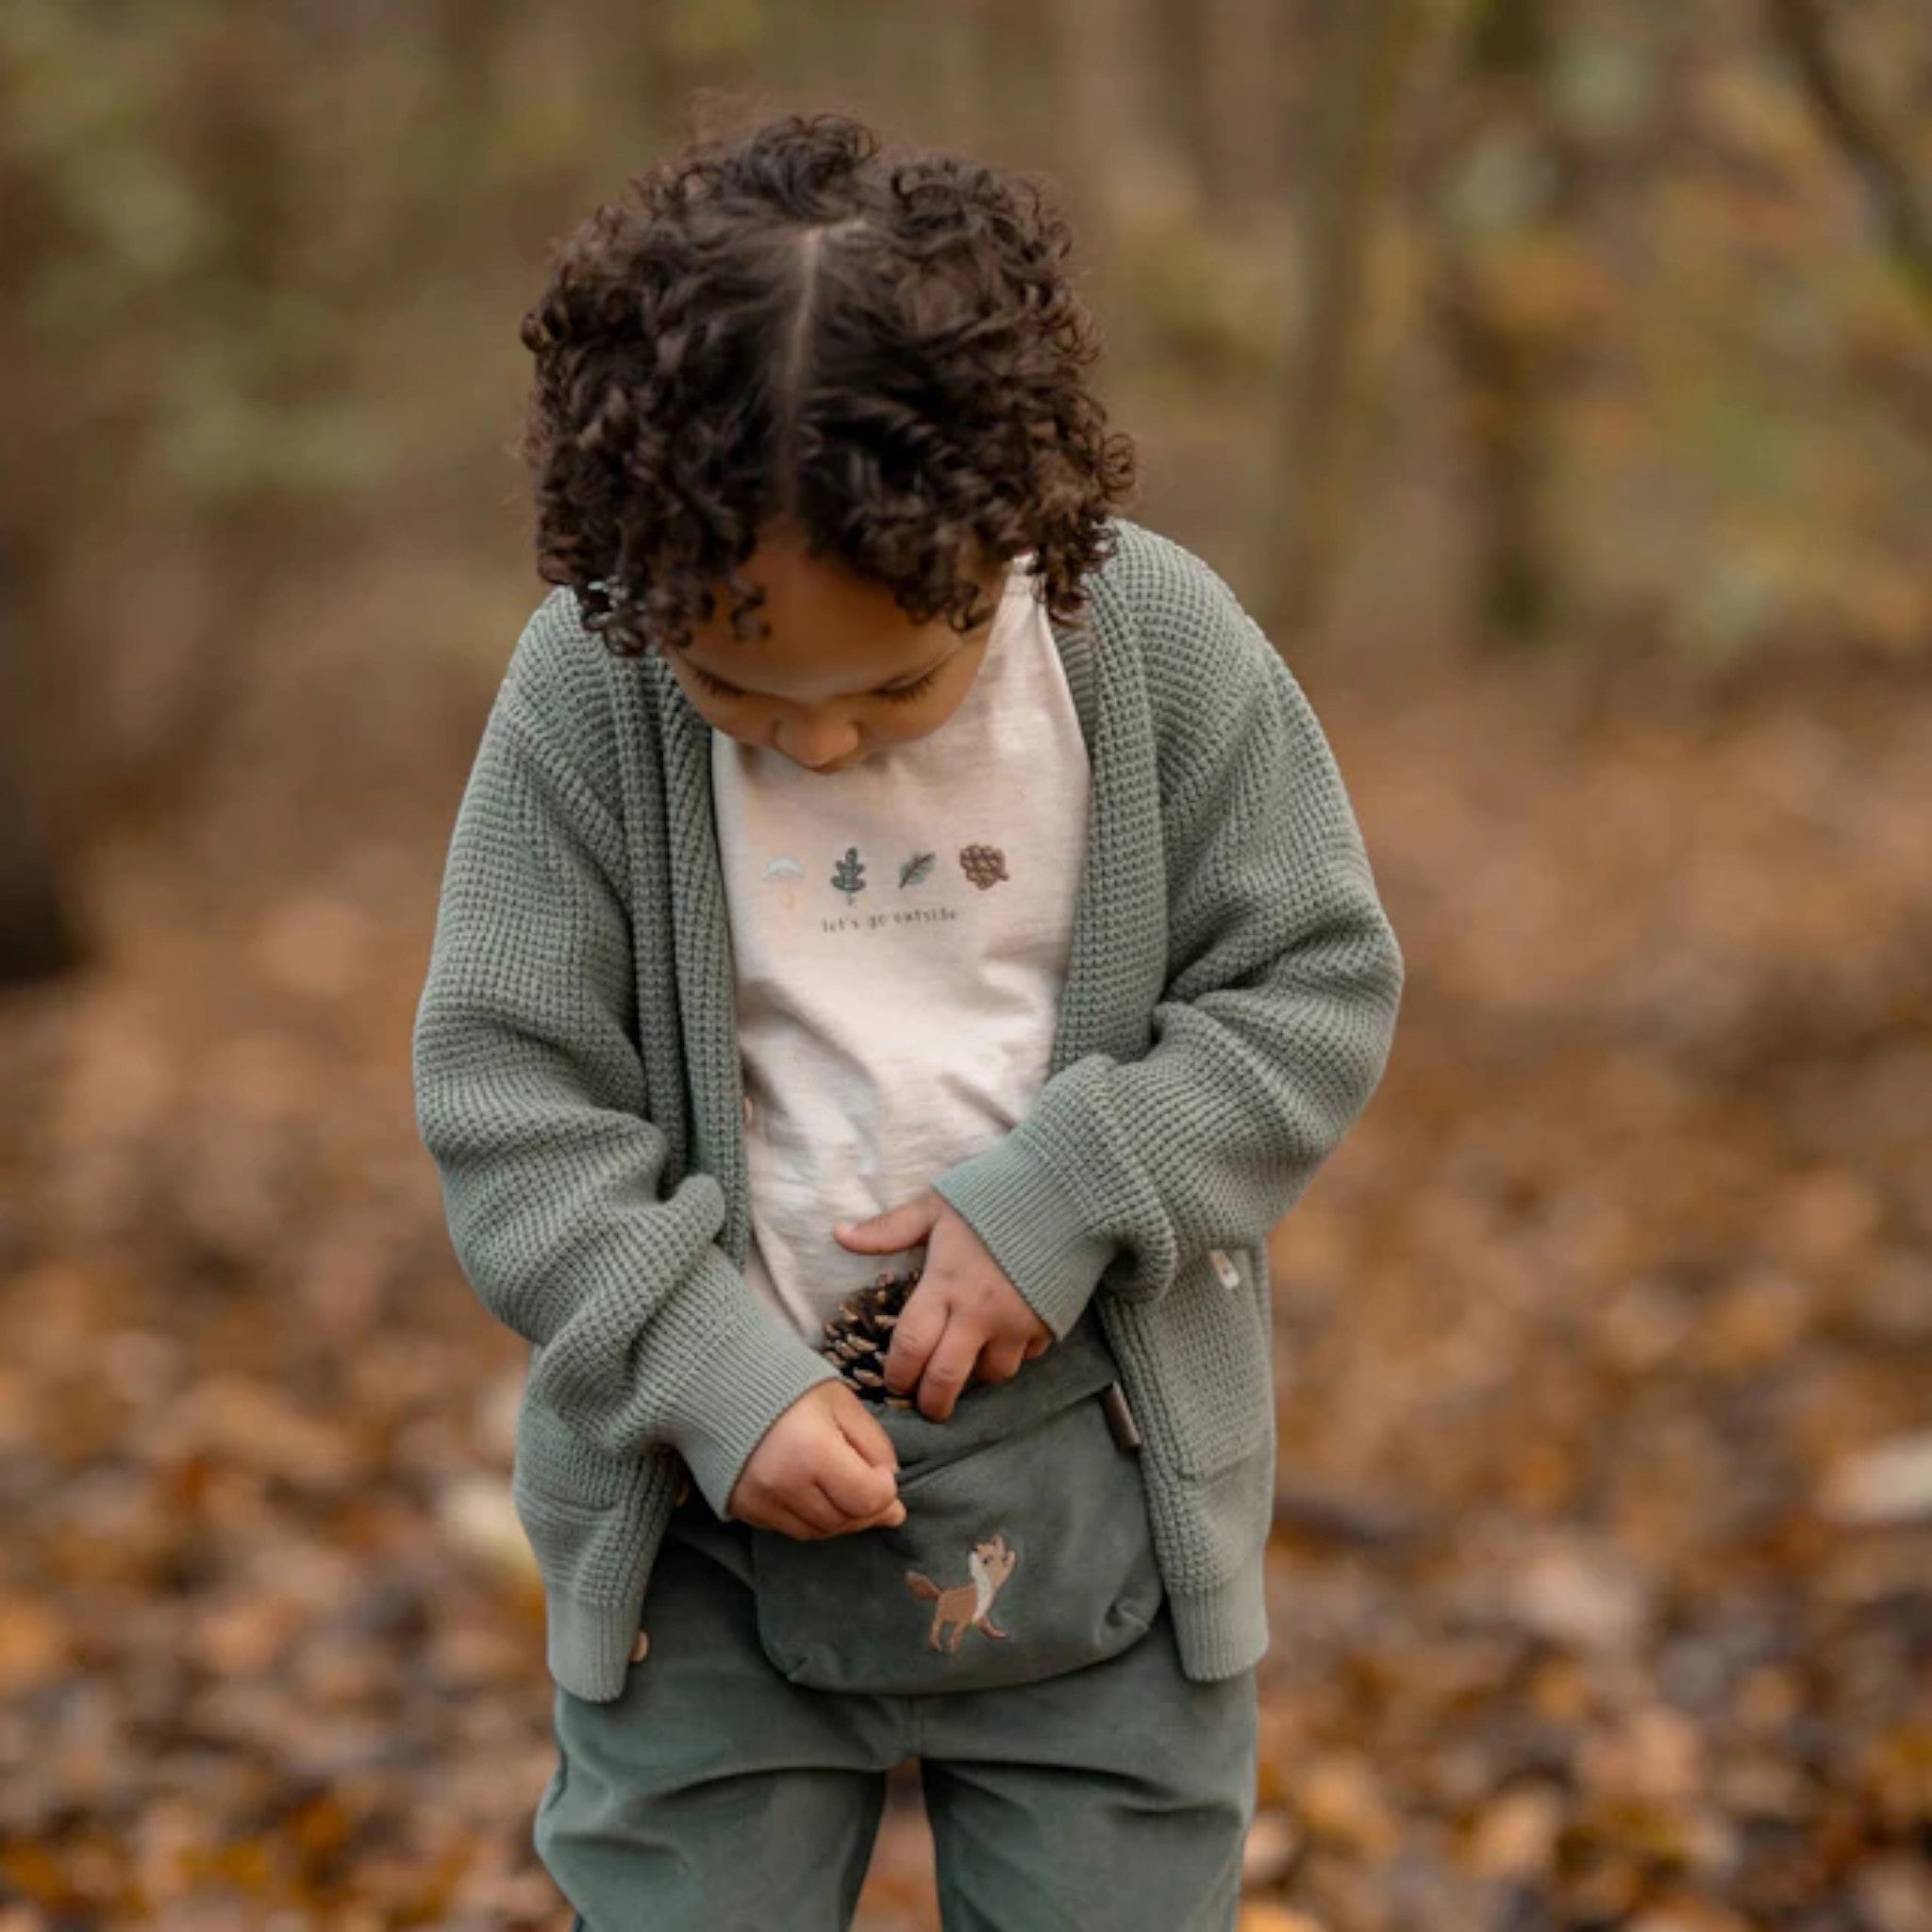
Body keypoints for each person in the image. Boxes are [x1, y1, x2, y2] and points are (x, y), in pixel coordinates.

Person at [412, 109, 1404, 1932]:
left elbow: (1310, 988)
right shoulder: (587, 688)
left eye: (895, 682)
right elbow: (511, 1100)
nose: (817, 741)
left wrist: (1064, 1199)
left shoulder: (1157, 654)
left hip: (1102, 1492)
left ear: (1016, 534)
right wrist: (710, 1369)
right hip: (704, 1513)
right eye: (736, 684)